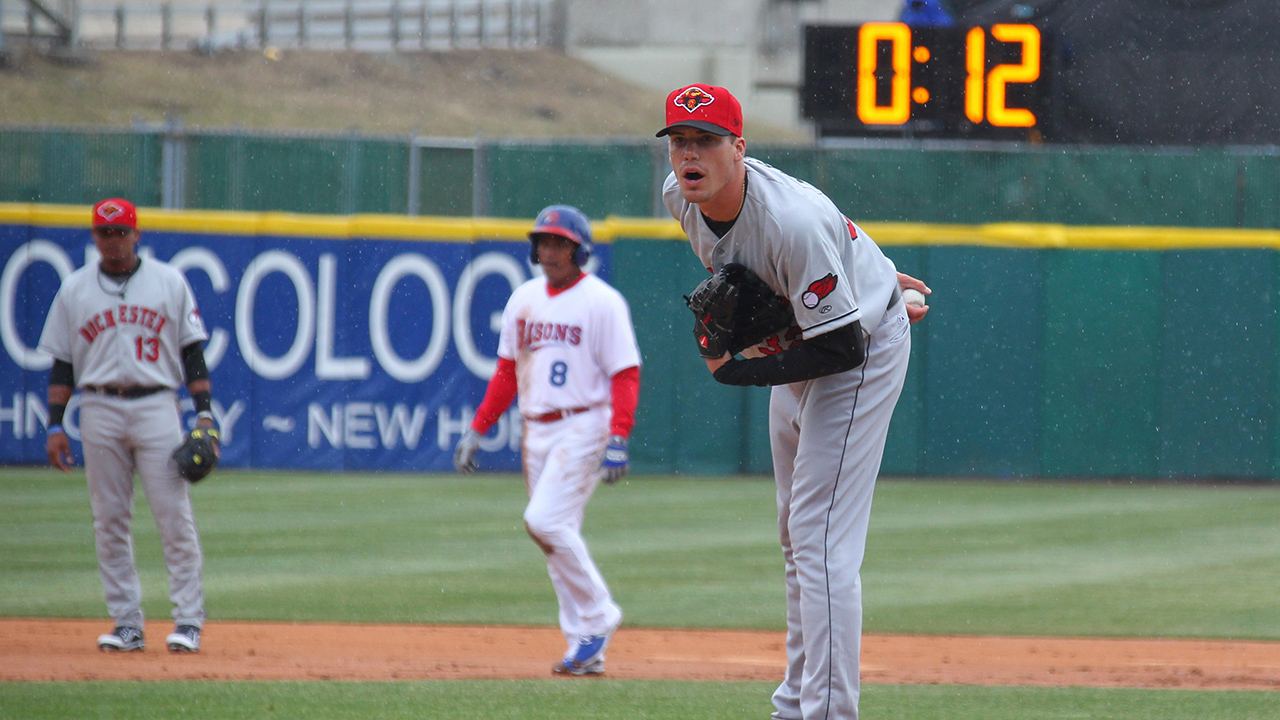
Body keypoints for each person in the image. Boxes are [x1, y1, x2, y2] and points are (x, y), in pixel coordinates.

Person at [656, 84, 928, 720]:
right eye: (680, 141)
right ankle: (794, 704)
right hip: (809, 336)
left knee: (821, 536)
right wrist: (873, 270)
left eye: (707, 141)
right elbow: (789, 270)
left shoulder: (790, 220)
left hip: (858, 347)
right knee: (795, 533)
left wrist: (741, 369)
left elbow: (840, 351)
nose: (690, 155)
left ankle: (829, 712)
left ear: (739, 149)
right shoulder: (679, 198)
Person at [452, 204, 641, 676]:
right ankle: (584, 647)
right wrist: (479, 426)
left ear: (579, 250)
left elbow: (625, 374)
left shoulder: (602, 301)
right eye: (544, 242)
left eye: (560, 243)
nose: (551, 250)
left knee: (543, 520)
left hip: (584, 422)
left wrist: (619, 435)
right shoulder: (524, 299)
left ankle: (600, 615)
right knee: (555, 536)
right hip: (535, 428)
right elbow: (507, 372)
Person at [39, 198, 218, 654]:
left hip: (157, 405)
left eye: (120, 232)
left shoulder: (168, 281)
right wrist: (54, 425)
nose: (113, 240)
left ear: (137, 234)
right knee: (109, 521)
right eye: (104, 232)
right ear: (94, 236)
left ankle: (189, 620)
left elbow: (192, 352)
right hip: (97, 407)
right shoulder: (75, 289)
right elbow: (62, 366)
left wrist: (204, 412)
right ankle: (126, 623)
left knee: (173, 516)